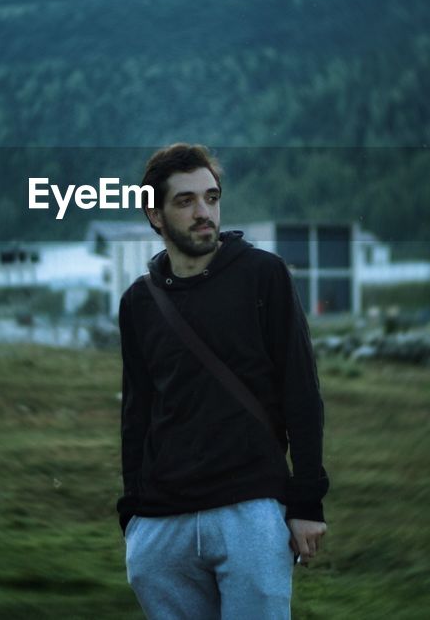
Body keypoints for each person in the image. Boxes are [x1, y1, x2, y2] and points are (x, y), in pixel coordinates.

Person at [117, 143, 329, 619]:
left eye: (211, 198)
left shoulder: (263, 276)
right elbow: (137, 413)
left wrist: (308, 503)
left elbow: (302, 393)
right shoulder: (139, 302)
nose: (202, 212)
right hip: (161, 526)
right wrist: (132, 517)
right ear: (154, 214)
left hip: (249, 512)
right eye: (185, 201)